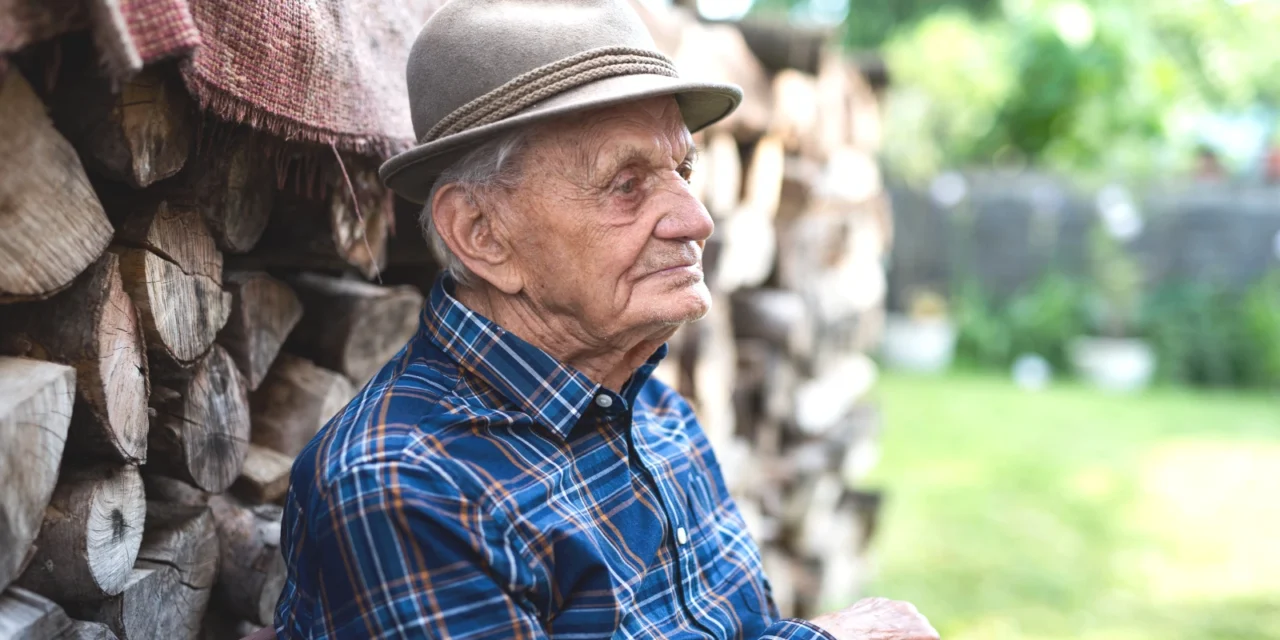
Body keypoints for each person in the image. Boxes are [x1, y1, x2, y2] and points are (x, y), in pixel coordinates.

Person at [270, 1, 938, 638]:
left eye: (682, 168)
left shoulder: (655, 415)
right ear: (481, 233)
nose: (696, 220)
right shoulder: (406, 487)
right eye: (627, 183)